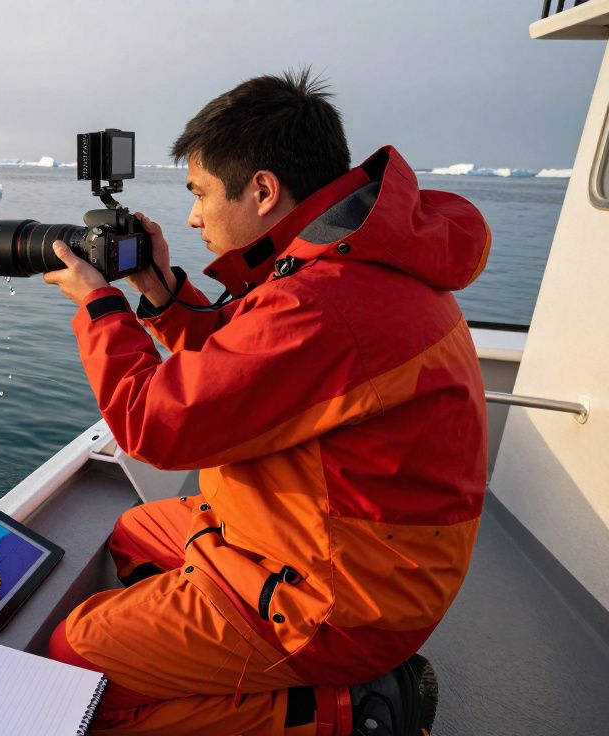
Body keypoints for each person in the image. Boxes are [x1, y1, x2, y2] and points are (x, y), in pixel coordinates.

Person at [41, 70, 490, 736]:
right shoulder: (348, 262)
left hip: (342, 602)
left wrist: (102, 307)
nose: (193, 216)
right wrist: (163, 295)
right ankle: (215, 644)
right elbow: (251, 362)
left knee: (75, 661)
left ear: (261, 189)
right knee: (134, 533)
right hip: (352, 549)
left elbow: (154, 427)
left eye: (199, 194)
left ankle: (354, 709)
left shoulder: (324, 300)